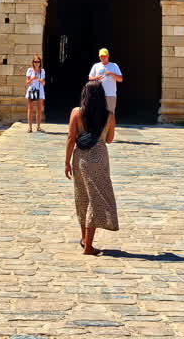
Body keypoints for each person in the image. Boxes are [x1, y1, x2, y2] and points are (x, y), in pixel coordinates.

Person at [65, 81, 118, 255]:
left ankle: (84, 239)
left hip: (80, 157)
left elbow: (71, 139)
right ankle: (88, 245)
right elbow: (109, 139)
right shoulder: (109, 115)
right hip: (100, 158)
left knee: (82, 197)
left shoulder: (76, 113)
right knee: (96, 198)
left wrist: (66, 162)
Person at [88, 48, 122, 130]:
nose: (103, 58)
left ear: (108, 56)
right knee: (98, 114)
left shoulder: (114, 66)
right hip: (98, 94)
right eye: (101, 56)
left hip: (110, 95)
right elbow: (90, 78)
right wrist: (96, 77)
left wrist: (111, 73)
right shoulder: (96, 66)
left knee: (110, 115)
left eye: (104, 56)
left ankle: (108, 133)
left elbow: (120, 79)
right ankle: (98, 132)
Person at [25, 55, 46, 132]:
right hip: (32, 90)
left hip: (40, 91)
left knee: (39, 109)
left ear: (40, 62)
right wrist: (32, 79)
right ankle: (30, 127)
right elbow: (27, 82)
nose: (37, 63)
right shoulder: (30, 70)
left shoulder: (42, 71)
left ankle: (38, 126)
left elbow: (44, 83)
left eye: (38, 62)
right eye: (35, 62)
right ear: (33, 62)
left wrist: (40, 80)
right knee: (30, 109)